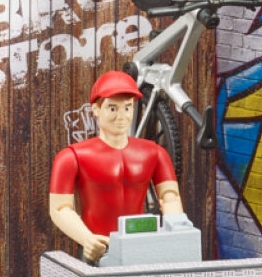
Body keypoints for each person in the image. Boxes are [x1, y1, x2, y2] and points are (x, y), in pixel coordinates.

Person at [49, 70, 182, 262]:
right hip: (98, 248)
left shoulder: (154, 153)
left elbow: (170, 197)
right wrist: (87, 240)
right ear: (96, 109)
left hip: (141, 246)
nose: (122, 116)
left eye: (127, 108)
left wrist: (176, 234)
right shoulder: (72, 157)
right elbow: (60, 208)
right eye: (113, 108)